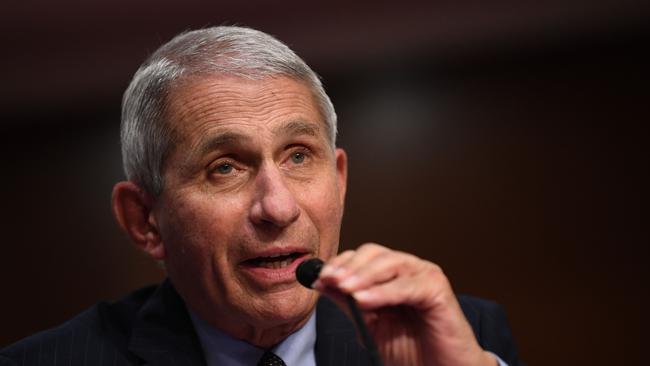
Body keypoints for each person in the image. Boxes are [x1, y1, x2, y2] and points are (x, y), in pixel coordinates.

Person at [0, 26, 522, 366]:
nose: (278, 207)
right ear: (145, 220)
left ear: (338, 181)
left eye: (298, 156)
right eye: (224, 167)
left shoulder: (461, 336)